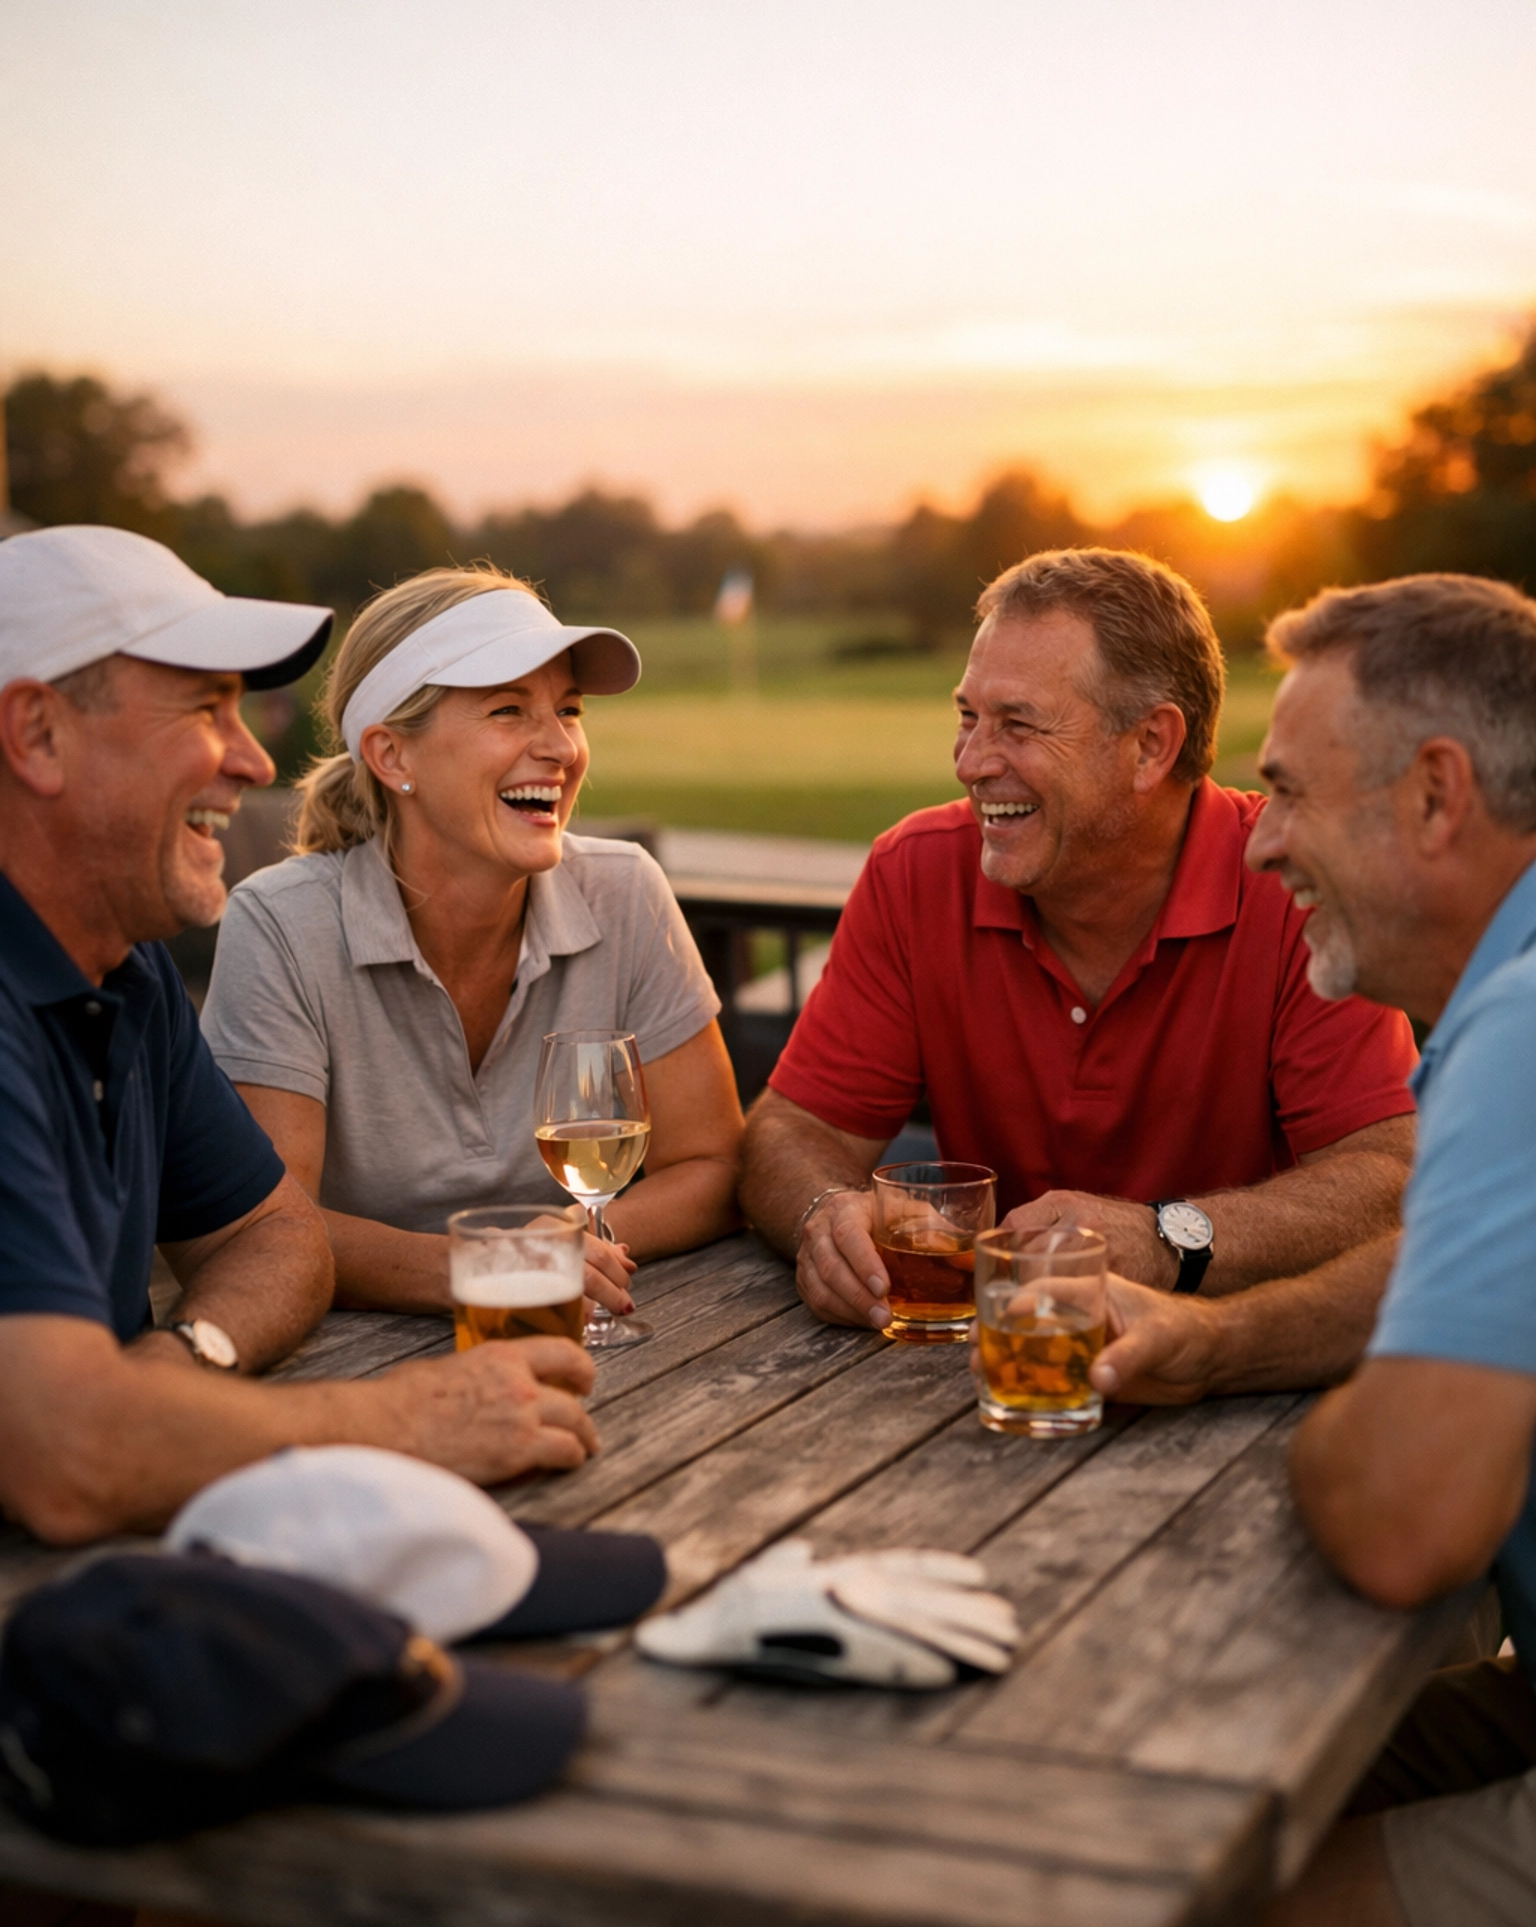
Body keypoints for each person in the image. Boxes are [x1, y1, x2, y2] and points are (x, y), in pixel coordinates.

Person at [1070, 572, 1536, 1927]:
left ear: (1436, 796)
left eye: (1289, 791)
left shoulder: (1519, 1032)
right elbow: (1461, 1276)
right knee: (1157, 1800)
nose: (1260, 843)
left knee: (1176, 1898)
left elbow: (1401, 1522)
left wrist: (1350, 1423)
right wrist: (1218, 1342)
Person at [0, 525, 598, 1547]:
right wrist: (410, 1421)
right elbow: (68, 1460)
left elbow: (276, 1235)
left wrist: (182, 1362)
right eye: (205, 707)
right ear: (39, 735)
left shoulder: (124, 965)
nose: (254, 758)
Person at [738, 548, 1418, 1333]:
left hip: (1243, 1371)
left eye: (1018, 724)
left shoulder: (1294, 881)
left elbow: (1387, 1174)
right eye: (968, 716)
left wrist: (1166, 1238)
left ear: (1151, 747)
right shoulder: (915, 869)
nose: (970, 763)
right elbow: (793, 1128)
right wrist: (827, 1216)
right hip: (992, 1374)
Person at [200, 566, 741, 1317]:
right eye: (509, 711)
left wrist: (562, 1244)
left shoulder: (625, 892)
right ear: (392, 757)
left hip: (595, 1332)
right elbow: (265, 1226)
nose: (560, 747)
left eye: (570, 709)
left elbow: (713, 1164)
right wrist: (497, 1267)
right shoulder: (281, 926)